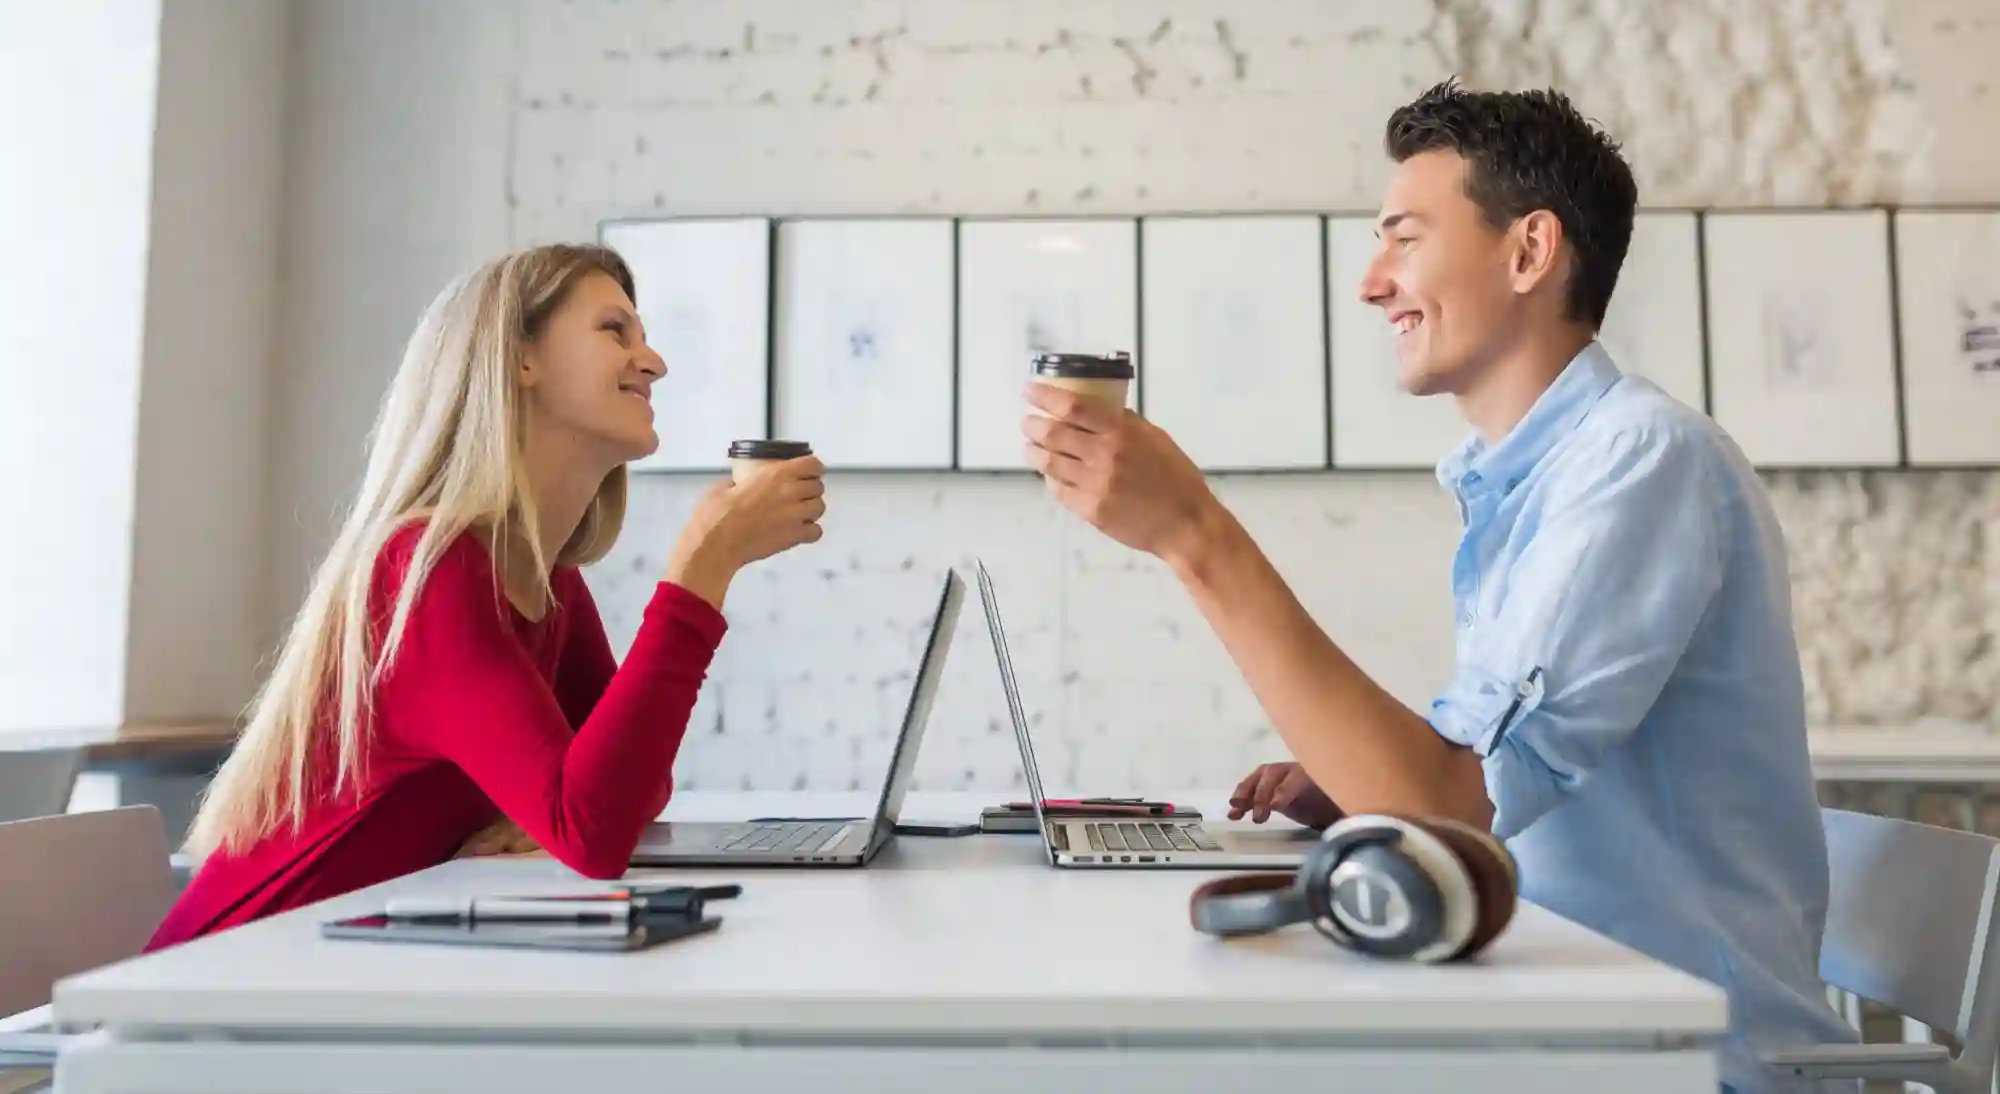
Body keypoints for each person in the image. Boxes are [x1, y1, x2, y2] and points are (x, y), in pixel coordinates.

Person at [1021, 80, 1858, 1093]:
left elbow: (1447, 812)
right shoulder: (1530, 478)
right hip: (1566, 1024)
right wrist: (1362, 780)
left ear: (1527, 252)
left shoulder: (1639, 461)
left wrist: (1192, 535)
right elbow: (1469, 785)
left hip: (1679, 1063)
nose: (1372, 283)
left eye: (1403, 239)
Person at [150, 244, 825, 949]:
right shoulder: (425, 570)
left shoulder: (549, 583)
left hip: (331, 980)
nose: (653, 362)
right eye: (614, 331)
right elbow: (594, 831)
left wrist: (547, 811)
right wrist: (700, 572)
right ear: (519, 359)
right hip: (216, 994)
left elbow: (628, 789)